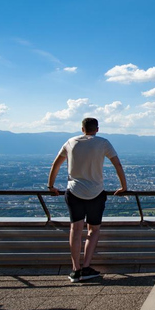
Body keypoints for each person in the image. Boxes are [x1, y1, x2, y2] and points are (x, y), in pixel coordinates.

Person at [48, 117, 127, 282]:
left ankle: (75, 269)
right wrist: (123, 186)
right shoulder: (103, 143)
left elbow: (56, 164)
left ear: (82, 128)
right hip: (96, 193)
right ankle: (86, 267)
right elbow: (117, 164)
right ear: (97, 129)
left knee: (75, 230)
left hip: (74, 191)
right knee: (93, 230)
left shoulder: (70, 142)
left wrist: (51, 186)